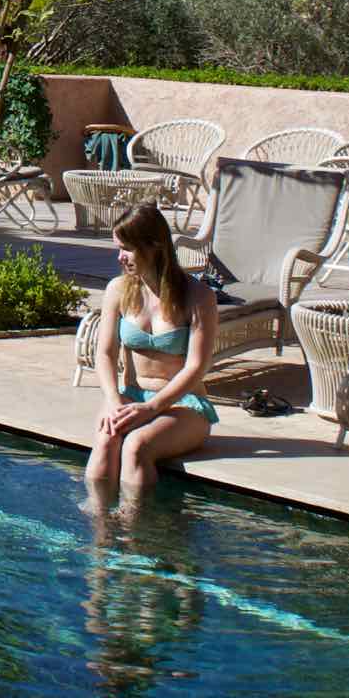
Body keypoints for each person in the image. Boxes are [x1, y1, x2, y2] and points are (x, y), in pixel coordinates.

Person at [84, 203, 220, 503]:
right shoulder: (118, 290)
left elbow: (197, 366)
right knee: (106, 440)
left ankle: (139, 537)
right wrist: (112, 400)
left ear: (155, 247)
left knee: (136, 446)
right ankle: (99, 537)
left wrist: (153, 408)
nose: (120, 257)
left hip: (184, 406)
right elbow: (105, 353)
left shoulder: (198, 296)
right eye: (119, 248)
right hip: (131, 396)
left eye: (127, 249)